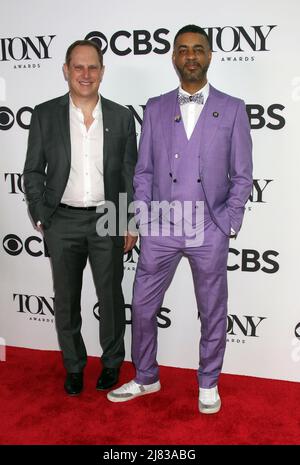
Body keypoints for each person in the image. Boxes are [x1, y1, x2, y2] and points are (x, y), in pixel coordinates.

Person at [107, 25, 252, 414]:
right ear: (174, 57)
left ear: (209, 55)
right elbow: (143, 172)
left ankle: (208, 381)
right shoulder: (154, 107)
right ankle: (146, 376)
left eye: (198, 49)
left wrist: (230, 222)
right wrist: (139, 220)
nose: (191, 56)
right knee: (141, 307)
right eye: (183, 50)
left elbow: (242, 174)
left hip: (209, 226)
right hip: (161, 226)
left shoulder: (233, 107)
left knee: (212, 310)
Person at [23, 40, 137, 395]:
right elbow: (33, 172)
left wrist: (130, 221)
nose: (85, 75)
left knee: (112, 298)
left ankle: (112, 363)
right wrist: (43, 215)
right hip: (63, 221)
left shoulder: (120, 116)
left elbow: (131, 173)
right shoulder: (45, 114)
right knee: (67, 300)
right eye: (78, 67)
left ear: (103, 71)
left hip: (108, 218)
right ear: (66, 70)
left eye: (93, 67)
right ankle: (74, 367)